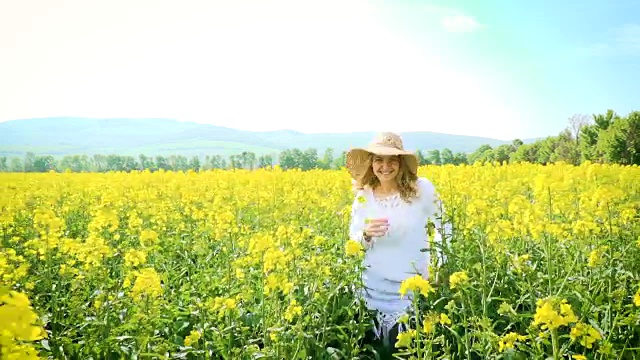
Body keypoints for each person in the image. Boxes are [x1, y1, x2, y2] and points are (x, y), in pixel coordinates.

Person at [346, 132, 447, 355]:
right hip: (370, 290)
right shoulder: (364, 196)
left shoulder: (422, 189)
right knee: (373, 353)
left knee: (409, 351)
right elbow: (353, 242)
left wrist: (438, 265)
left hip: (411, 291)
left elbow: (444, 227)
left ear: (401, 163)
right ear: (371, 163)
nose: (385, 166)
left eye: (392, 160)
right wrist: (365, 235)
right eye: (379, 160)